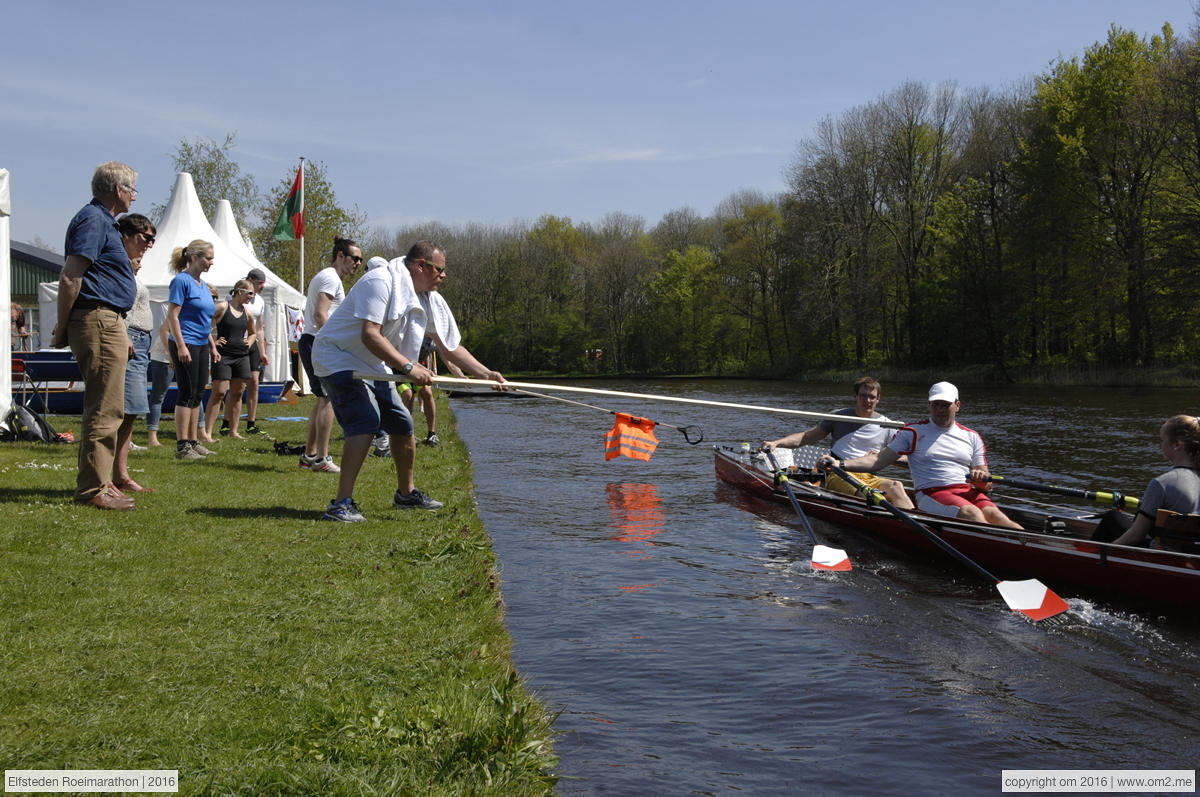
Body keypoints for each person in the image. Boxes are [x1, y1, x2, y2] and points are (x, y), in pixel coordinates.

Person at [311, 240, 506, 521]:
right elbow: (370, 334)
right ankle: (341, 503)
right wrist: (407, 366)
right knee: (365, 420)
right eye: (440, 269)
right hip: (336, 357)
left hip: (370, 362)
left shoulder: (426, 297)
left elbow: (449, 346)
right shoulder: (379, 282)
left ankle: (406, 494)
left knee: (402, 423)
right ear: (421, 265)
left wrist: (485, 374)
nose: (444, 275)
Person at [52, 161, 139, 510]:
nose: (134, 196)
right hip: (98, 318)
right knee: (104, 407)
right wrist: (62, 326)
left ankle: (102, 481)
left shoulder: (104, 222)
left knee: (109, 406)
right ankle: (92, 490)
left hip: (107, 319)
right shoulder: (93, 220)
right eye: (132, 189)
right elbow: (71, 276)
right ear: (118, 190)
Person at [821, 382, 1022, 528]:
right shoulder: (912, 432)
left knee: (997, 516)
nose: (940, 410)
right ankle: (999, 554)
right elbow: (877, 461)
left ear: (957, 406)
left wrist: (980, 481)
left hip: (967, 491)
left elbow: (986, 484)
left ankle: (1032, 551)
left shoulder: (972, 437)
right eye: (935, 405)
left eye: (945, 404)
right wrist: (839, 464)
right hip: (932, 493)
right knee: (972, 513)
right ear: (929, 405)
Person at [762, 377, 913, 509]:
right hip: (837, 473)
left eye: (872, 397)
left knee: (896, 486)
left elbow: (908, 459)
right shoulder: (839, 417)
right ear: (855, 396)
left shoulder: (887, 425)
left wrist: (883, 456)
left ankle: (920, 524)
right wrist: (777, 443)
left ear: (878, 398)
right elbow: (806, 437)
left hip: (868, 476)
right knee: (869, 495)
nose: (867, 401)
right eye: (863, 396)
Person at [298, 238, 361, 472]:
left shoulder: (332, 278)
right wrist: (334, 343)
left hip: (315, 341)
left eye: (360, 259)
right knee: (328, 400)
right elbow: (319, 314)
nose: (358, 263)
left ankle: (309, 455)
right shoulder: (330, 277)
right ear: (340, 255)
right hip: (318, 342)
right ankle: (322, 459)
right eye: (355, 258)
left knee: (322, 399)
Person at [1099, 416, 1200, 548]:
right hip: (1193, 554)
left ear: (1177, 444)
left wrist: (1104, 550)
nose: (1159, 446)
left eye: (1162, 440)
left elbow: (1136, 537)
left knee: (1112, 517)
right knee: (1144, 519)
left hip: (1165, 555)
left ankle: (1091, 561)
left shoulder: (1163, 483)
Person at [112, 214, 156, 492]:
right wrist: (125, 334)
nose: (150, 244)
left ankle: (120, 474)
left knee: (132, 411)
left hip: (140, 343)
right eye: (146, 237)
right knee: (123, 410)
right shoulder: (117, 267)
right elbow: (117, 305)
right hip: (130, 340)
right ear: (127, 235)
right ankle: (114, 475)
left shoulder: (129, 269)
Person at [165, 240, 219, 461]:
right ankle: (182, 446)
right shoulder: (181, 281)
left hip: (200, 343)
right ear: (195, 257)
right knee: (186, 393)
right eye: (208, 258)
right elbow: (173, 316)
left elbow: (204, 320)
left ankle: (193, 441)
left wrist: (212, 346)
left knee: (197, 393)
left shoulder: (203, 285)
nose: (211, 262)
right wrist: (180, 346)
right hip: (185, 342)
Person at [201, 280, 257, 442]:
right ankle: (207, 432)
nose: (252, 297)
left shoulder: (248, 313)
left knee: (238, 393)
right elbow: (203, 322)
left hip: (241, 356)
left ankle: (233, 431)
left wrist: (251, 341)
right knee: (218, 393)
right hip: (223, 355)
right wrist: (213, 341)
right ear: (240, 291)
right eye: (250, 293)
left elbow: (253, 332)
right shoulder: (222, 307)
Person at [235, 268, 270, 435]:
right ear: (250, 280)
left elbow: (260, 328)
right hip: (237, 343)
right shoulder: (236, 297)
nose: (262, 286)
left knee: (254, 384)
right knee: (238, 387)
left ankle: (251, 423)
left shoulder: (260, 301)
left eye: (263, 283)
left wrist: (262, 352)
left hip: (253, 343)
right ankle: (228, 423)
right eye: (259, 283)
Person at [145, 324, 173, 447]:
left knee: (193, 395)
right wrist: (171, 354)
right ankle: (152, 437)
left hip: (190, 352)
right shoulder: (179, 308)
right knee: (158, 396)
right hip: (164, 355)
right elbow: (163, 329)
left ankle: (199, 433)